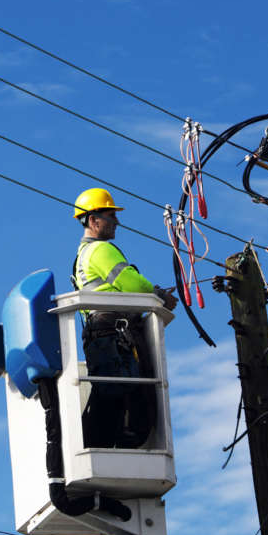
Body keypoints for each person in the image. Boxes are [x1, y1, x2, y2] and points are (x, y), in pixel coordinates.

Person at [70, 187, 177, 448]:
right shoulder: (101, 250)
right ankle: (104, 449)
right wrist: (159, 295)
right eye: (110, 216)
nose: (116, 222)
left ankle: (100, 448)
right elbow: (133, 284)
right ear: (94, 220)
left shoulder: (83, 255)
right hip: (113, 336)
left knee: (112, 399)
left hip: (102, 336)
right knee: (123, 398)